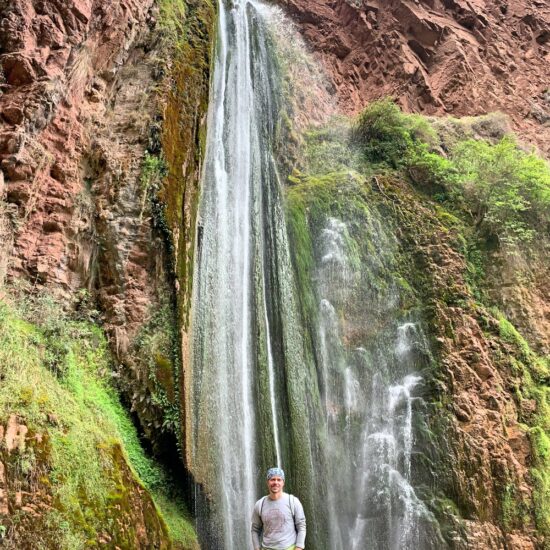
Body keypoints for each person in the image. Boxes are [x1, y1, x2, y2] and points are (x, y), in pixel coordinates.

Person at [251, 467, 306, 550]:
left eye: (279, 479)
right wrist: (256, 548)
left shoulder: (293, 501)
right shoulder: (260, 504)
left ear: (283, 482)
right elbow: (255, 529)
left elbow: (301, 526)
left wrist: (299, 547)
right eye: (272, 479)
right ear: (267, 482)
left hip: (289, 548)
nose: (275, 482)